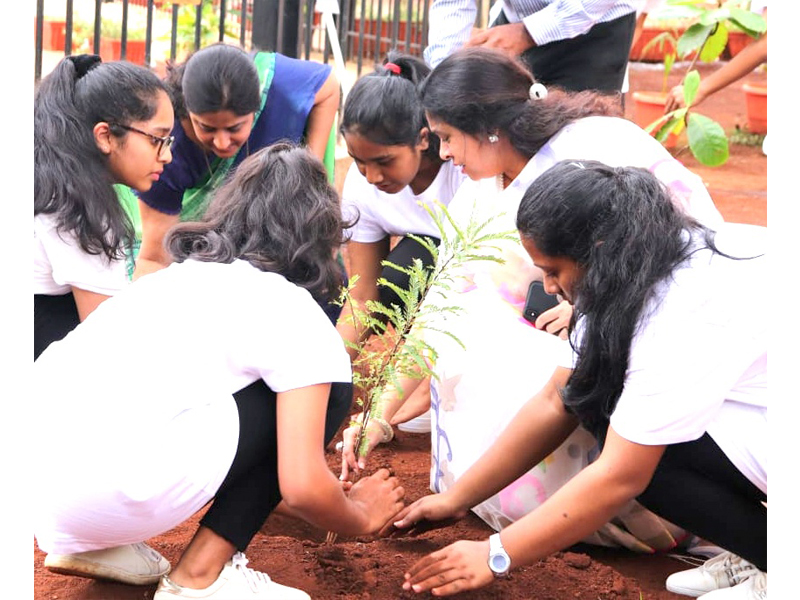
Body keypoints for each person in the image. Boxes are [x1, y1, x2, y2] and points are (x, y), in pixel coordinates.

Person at [340, 47, 723, 551]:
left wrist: (590, 309)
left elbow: (686, 246)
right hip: (584, 335)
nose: (446, 155)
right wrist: (379, 417)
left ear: (487, 126)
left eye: (449, 138)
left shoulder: (597, 146)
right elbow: (442, 314)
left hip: (662, 331)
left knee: (534, 370)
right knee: (479, 332)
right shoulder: (483, 188)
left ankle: (623, 509)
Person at [33, 144, 405, 600]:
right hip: (112, 492)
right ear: (321, 236)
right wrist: (359, 514)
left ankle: (98, 545)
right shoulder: (291, 307)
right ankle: (202, 576)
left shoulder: (169, 280)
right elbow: (304, 486)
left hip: (36, 492)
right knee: (328, 388)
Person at [392, 159, 767, 599]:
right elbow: (558, 400)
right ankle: (764, 552)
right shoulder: (635, 267)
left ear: (601, 250)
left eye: (553, 270)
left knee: (648, 453)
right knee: (599, 403)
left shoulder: (675, 310)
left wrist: (497, 554)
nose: (548, 287)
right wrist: (457, 499)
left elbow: (621, 476)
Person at [132, 43, 340, 284]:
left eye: (235, 128)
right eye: (206, 128)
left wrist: (307, 168)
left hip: (275, 245)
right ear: (188, 111)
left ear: (257, 108)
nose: (221, 143)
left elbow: (329, 86)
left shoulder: (278, 85)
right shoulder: (169, 150)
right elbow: (156, 258)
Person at [337, 52, 468, 429]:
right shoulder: (362, 187)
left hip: (483, 278)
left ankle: (443, 377)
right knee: (398, 276)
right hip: (430, 268)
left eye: (383, 161)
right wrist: (323, 372)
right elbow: (362, 298)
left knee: (424, 264)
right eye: (359, 161)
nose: (371, 176)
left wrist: (426, 383)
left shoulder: (462, 170)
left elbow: (480, 284)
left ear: (423, 139)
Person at [34, 54, 175, 360]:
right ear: (105, 136)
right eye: (157, 139)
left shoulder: (51, 182)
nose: (167, 156)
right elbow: (109, 345)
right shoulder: (78, 207)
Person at [424, 0, 639, 95]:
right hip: (513, 21)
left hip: (593, 28)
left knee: (575, 148)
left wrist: (528, 33)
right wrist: (445, 70)